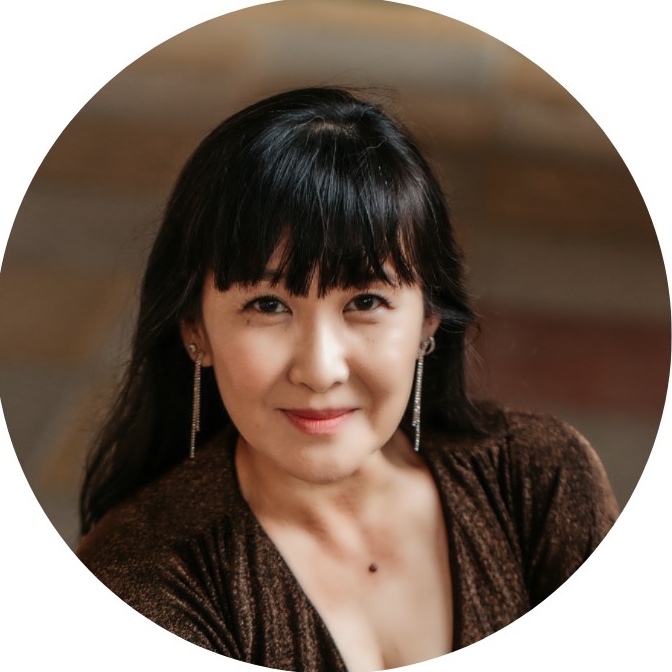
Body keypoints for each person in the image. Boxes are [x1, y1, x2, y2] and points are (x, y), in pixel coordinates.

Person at [77, 86, 618, 671]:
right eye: (267, 305)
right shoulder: (139, 581)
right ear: (195, 330)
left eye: (365, 301)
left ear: (427, 321)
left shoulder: (541, 481)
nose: (320, 370)